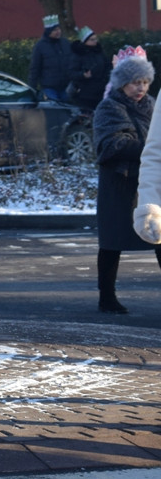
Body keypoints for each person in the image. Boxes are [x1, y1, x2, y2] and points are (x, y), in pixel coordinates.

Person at [92, 46, 157, 314]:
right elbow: (110, 145)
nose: (140, 88)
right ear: (122, 82)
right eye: (135, 82)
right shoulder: (109, 107)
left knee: (159, 235)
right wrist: (152, 148)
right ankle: (106, 297)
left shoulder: (153, 105)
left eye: (144, 82)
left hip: (149, 181)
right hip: (119, 184)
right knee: (112, 243)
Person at [28, 14, 72, 101]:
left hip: (66, 86)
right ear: (49, 31)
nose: (58, 31)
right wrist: (32, 88)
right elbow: (35, 68)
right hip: (49, 87)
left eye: (59, 29)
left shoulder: (65, 43)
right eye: (55, 30)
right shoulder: (40, 46)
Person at [67, 26, 110, 110]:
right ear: (85, 41)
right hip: (85, 94)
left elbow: (107, 65)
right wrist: (83, 75)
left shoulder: (99, 52)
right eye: (92, 39)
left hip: (100, 90)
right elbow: (71, 73)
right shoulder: (78, 55)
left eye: (95, 39)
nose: (95, 41)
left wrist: (105, 77)